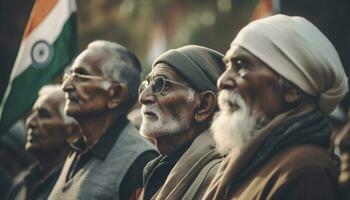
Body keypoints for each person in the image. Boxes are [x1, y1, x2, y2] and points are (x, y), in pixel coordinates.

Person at [203, 14, 348, 200]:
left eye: (241, 65)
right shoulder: (249, 160)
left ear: (293, 89)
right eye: (227, 66)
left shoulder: (306, 172)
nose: (222, 81)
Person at [48, 40, 158, 200]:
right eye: (69, 75)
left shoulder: (141, 162)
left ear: (116, 94)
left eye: (80, 76)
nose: (66, 86)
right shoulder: (77, 150)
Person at [138, 45, 225, 200]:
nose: (143, 97)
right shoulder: (162, 166)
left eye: (160, 84)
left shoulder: (218, 176)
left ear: (204, 105)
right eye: (147, 85)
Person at [7, 85, 80, 200]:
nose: (30, 122)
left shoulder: (77, 186)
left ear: (72, 131)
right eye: (33, 113)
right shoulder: (21, 184)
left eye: (44, 115)